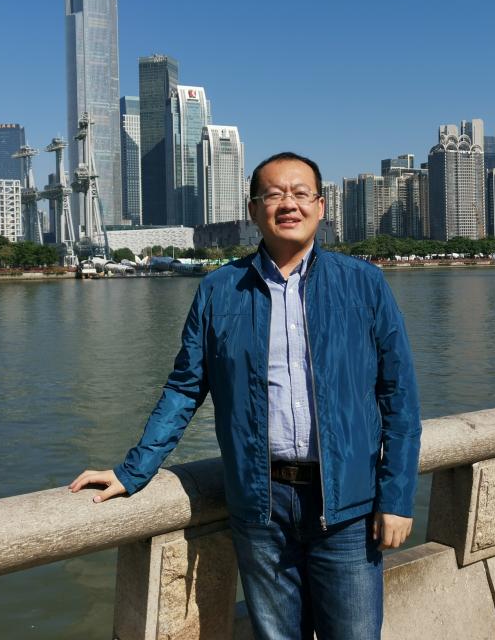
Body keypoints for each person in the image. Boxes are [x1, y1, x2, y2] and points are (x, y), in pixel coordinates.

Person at [70, 152, 421, 640]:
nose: (288, 204)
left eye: (301, 194)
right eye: (273, 195)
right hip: (261, 505)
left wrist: (397, 498)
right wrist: (133, 470)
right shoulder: (220, 290)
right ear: (253, 210)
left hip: (348, 506)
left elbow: (399, 398)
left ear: (321, 207)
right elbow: (184, 388)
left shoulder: (363, 283)